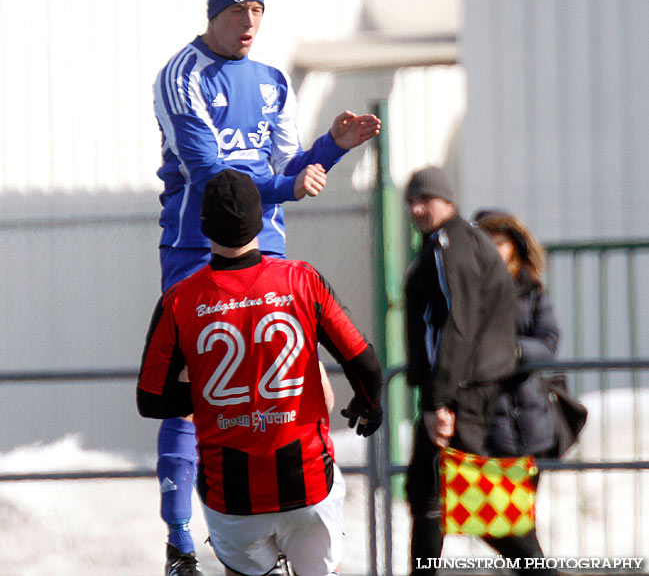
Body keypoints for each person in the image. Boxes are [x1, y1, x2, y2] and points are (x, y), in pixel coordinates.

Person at [152, 0, 380, 575]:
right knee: (192, 398)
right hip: (197, 249)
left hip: (267, 250)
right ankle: (179, 540)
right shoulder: (181, 76)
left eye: (256, 11)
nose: (248, 22)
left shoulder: (275, 81)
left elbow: (286, 171)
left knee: (297, 384)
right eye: (235, 12)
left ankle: (300, 511)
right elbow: (213, 180)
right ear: (212, 14)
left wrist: (331, 146)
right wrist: (291, 184)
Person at [137, 169, 383, 576]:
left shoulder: (180, 300)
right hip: (308, 486)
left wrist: (209, 400)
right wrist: (368, 404)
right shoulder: (302, 280)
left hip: (233, 500)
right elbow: (365, 364)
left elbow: (151, 399)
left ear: (203, 226)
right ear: (261, 219)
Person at [402, 165, 520, 575]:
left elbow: (458, 323)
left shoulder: (451, 243)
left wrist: (440, 399)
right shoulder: (442, 242)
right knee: (428, 494)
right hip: (457, 389)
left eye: (425, 200)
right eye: (411, 202)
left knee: (475, 499)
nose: (417, 209)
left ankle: (541, 568)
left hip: (462, 392)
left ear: (448, 201)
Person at [473, 208, 561, 568]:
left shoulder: (531, 290)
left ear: (514, 246)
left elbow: (549, 343)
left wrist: (512, 351)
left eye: (499, 242)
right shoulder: (467, 287)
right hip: (483, 420)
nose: (493, 250)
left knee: (515, 522)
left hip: (525, 421)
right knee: (491, 517)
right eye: (485, 243)